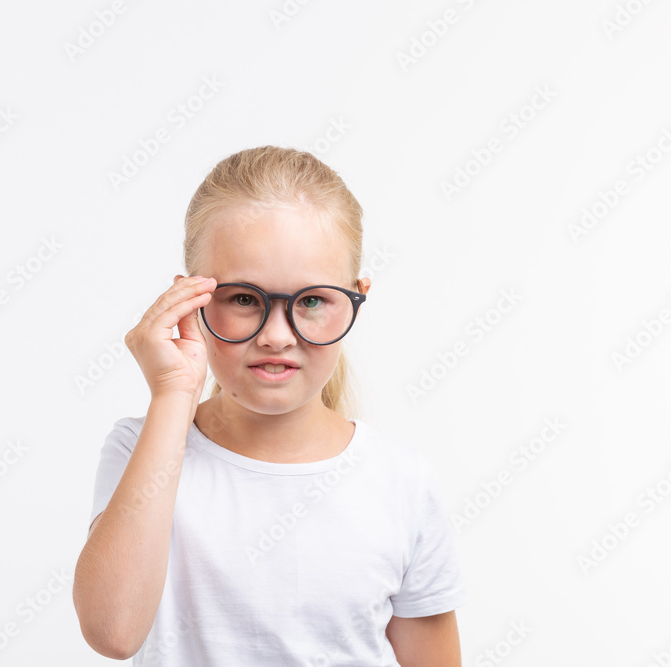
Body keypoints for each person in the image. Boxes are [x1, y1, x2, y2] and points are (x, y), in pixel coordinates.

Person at [73, 146, 466, 666]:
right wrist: (173, 393)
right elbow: (115, 632)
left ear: (355, 296)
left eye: (310, 301)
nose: (277, 337)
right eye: (243, 299)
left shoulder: (401, 482)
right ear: (190, 299)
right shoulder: (140, 448)